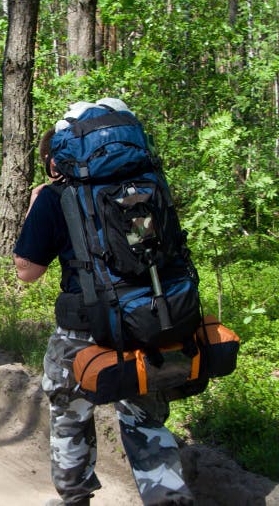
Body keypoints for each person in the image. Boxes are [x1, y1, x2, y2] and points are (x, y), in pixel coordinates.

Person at [13, 103, 194, 506]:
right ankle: (169, 497)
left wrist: (35, 207)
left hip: (83, 328)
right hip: (146, 318)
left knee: (69, 411)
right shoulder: (149, 188)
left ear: (56, 159)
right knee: (143, 415)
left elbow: (26, 271)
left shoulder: (55, 197)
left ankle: (75, 498)